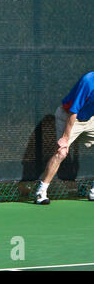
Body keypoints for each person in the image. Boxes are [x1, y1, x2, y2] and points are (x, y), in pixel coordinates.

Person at [35, 71, 94, 204]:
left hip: (90, 119)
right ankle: (41, 192)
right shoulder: (89, 81)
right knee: (61, 152)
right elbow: (74, 111)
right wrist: (65, 138)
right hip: (68, 117)